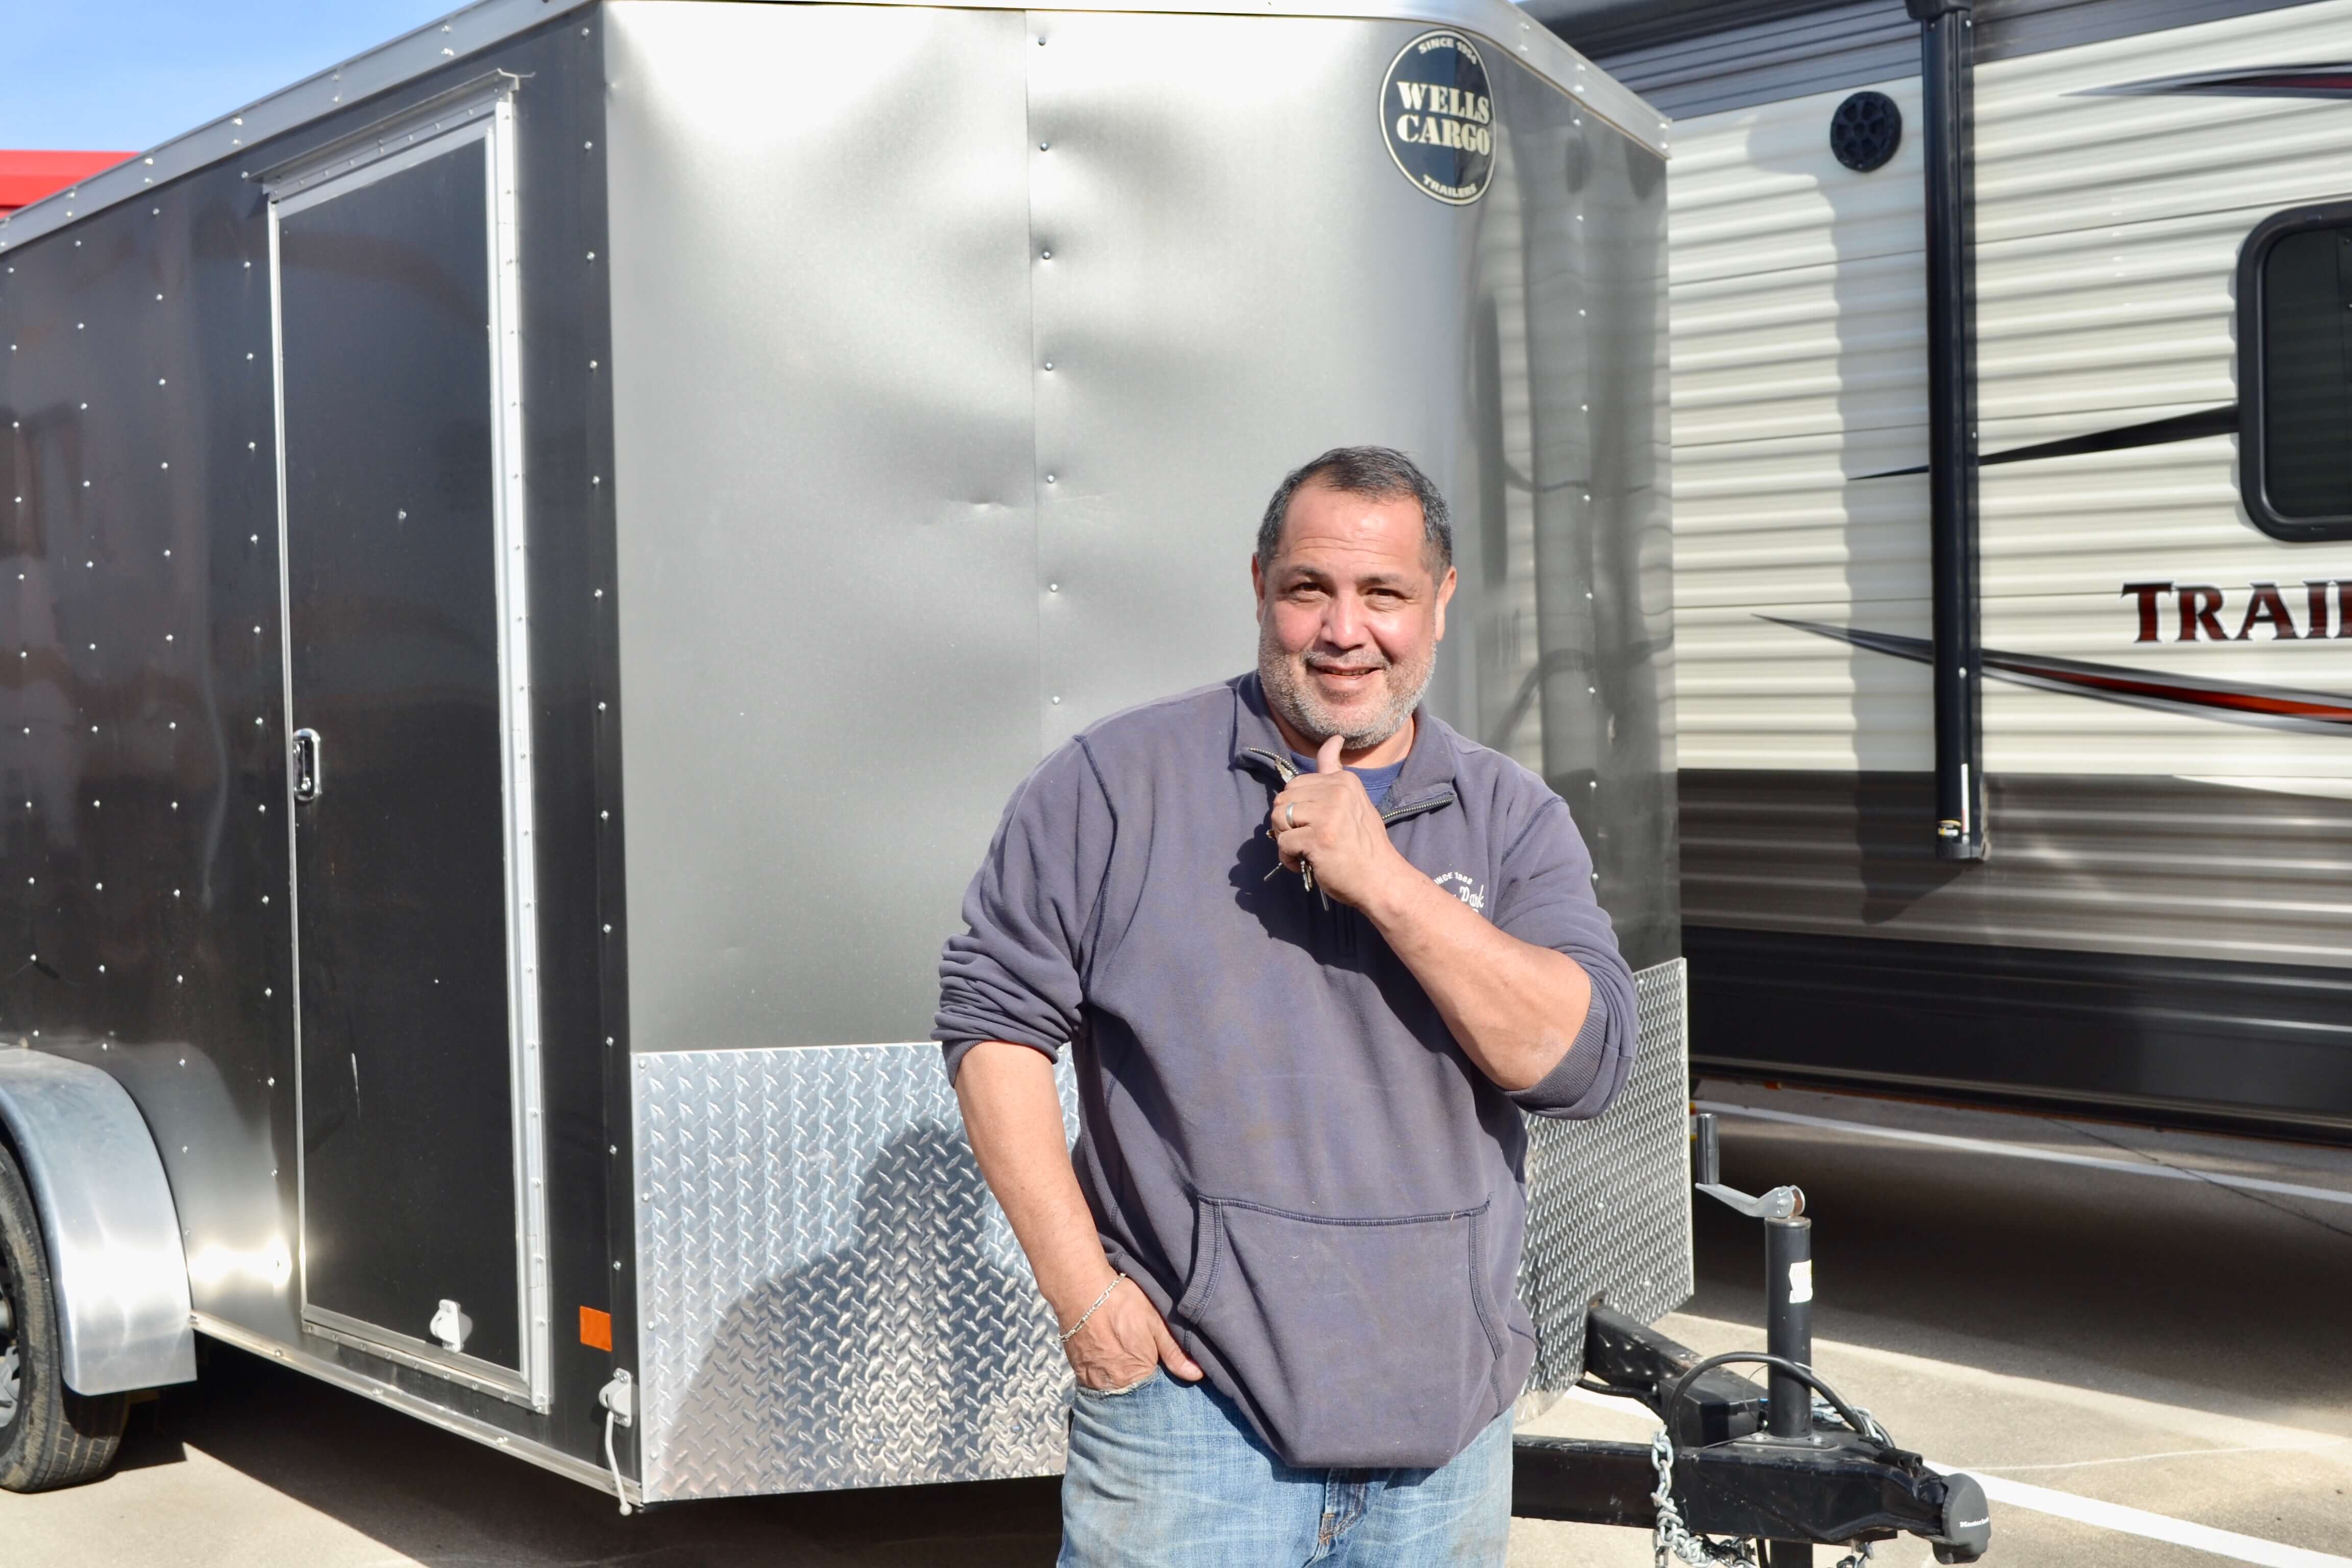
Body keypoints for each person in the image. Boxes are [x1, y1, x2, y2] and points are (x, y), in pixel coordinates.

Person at [936, 446, 1636, 1565]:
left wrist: (1387, 881)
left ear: (1442, 603)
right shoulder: (1117, 784)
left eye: (1385, 595)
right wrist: (1085, 1302)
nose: (1344, 630)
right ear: (1260, 583)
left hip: (1443, 1437)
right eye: (1310, 588)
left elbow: (1581, 1064)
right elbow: (993, 1025)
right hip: (1191, 1424)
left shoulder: (1510, 816)